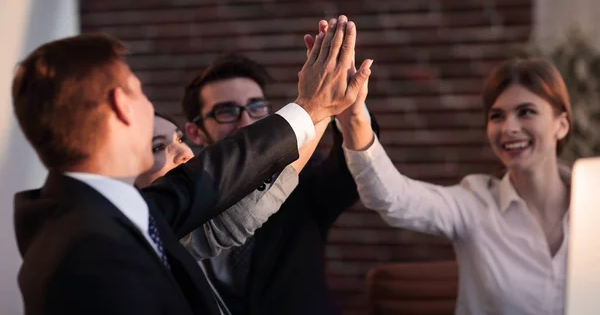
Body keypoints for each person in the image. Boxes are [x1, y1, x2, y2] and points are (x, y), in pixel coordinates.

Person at [12, 16, 372, 315]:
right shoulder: (91, 255)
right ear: (121, 105)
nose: (150, 108)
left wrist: (315, 109)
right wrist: (311, 107)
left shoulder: (114, 213)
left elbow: (216, 179)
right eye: (140, 91)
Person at [341, 57, 572, 315]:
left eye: (526, 112)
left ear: (561, 125)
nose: (509, 128)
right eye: (497, 116)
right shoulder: (474, 203)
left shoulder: (591, 202)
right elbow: (393, 197)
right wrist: (355, 119)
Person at [180, 22, 379, 315]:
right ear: (195, 132)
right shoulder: (185, 193)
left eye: (257, 107)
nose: (246, 122)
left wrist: (351, 114)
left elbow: (350, 177)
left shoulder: (302, 170)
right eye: (226, 111)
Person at [136, 112, 307, 258]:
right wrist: (313, 108)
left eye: (180, 139)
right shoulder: (146, 239)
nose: (184, 153)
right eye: (158, 147)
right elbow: (234, 220)